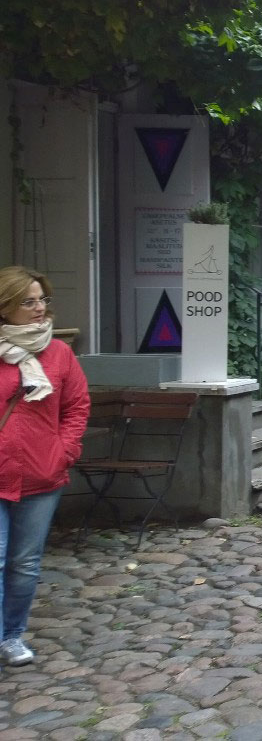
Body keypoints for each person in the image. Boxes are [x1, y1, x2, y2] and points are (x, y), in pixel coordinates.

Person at [0, 265, 89, 667]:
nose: (39, 309)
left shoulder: (59, 353)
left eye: (42, 300)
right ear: (5, 308)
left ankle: (12, 636)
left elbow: (76, 407)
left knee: (25, 562)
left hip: (42, 472)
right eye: (28, 301)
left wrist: (64, 451)